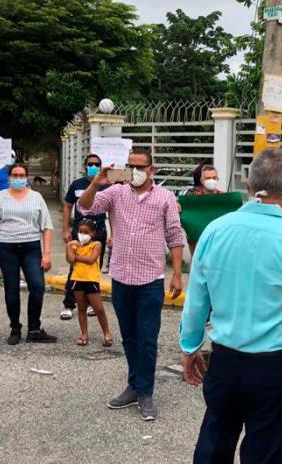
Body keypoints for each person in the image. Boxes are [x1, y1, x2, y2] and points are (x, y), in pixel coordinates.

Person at [179, 148, 282, 464]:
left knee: (214, 445)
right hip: (275, 366)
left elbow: (197, 299)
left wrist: (190, 347)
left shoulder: (215, 230)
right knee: (268, 454)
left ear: (248, 186)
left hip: (226, 362)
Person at [78, 148, 185, 422]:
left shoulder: (165, 198)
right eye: (130, 166)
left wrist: (176, 274)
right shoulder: (116, 193)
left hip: (150, 279)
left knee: (148, 338)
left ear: (152, 169)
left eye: (140, 166)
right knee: (129, 337)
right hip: (121, 277)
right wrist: (97, 181)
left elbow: (174, 235)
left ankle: (145, 391)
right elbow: (85, 207)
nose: (135, 171)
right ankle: (134, 385)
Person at [0, 163, 56, 345]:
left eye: (21, 175)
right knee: (12, 289)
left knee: (37, 286)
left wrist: (46, 253)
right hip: (6, 246)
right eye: (14, 175)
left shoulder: (36, 197)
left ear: (27, 177)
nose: (18, 178)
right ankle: (15, 327)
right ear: (9, 177)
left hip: (31, 246)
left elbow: (46, 226)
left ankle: (34, 328)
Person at [60, 154, 109, 321]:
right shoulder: (77, 185)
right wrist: (65, 229)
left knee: (95, 268)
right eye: (91, 164)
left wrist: (114, 234)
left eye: (97, 164)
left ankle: (89, 304)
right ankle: (69, 304)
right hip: (80, 232)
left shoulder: (106, 186)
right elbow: (67, 206)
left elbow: (113, 211)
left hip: (99, 232)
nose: (94, 167)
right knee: (75, 266)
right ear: (85, 165)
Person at [66, 219, 113, 347]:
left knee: (98, 309)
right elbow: (70, 259)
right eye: (80, 231)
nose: (82, 234)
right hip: (77, 279)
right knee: (81, 308)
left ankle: (107, 333)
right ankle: (84, 334)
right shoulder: (74, 245)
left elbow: (91, 259)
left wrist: (77, 257)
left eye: (86, 232)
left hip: (91, 280)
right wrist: (68, 246)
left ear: (93, 233)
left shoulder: (96, 244)